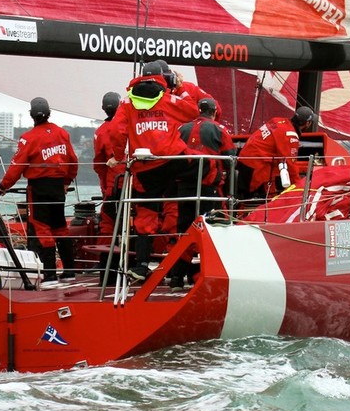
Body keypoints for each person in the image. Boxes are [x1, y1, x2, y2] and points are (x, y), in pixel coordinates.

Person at [108, 61, 200, 282]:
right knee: (205, 174)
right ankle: (210, 219)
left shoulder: (127, 103)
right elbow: (193, 111)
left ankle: (140, 266)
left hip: (145, 168)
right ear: (163, 77)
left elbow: (116, 131)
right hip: (173, 162)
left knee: (146, 215)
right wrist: (179, 87)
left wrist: (119, 156)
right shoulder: (168, 98)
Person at [0, 97, 79, 285]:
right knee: (60, 227)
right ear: (49, 113)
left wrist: (1, 188)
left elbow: (17, 166)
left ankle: (49, 275)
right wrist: (66, 181)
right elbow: (73, 161)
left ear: (32, 115)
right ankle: (70, 271)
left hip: (39, 187)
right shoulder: (62, 134)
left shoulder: (28, 138)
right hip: (58, 187)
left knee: (42, 228)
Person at [167, 97, 236, 291]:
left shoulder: (181, 129)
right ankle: (206, 277)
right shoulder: (220, 130)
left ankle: (176, 278)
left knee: (184, 233)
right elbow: (231, 157)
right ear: (214, 112)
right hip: (209, 190)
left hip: (184, 189)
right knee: (214, 233)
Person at [234, 106, 314, 199]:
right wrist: (300, 187)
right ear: (307, 123)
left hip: (244, 159)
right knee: (267, 199)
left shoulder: (277, 121)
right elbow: (290, 165)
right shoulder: (291, 136)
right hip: (256, 167)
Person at [91, 91, 123, 241]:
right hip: (134, 184)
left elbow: (99, 164)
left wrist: (104, 187)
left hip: (112, 185)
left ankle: (107, 259)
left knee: (108, 222)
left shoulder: (100, 132)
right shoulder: (129, 125)